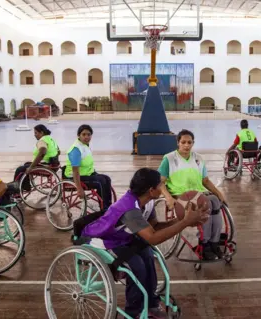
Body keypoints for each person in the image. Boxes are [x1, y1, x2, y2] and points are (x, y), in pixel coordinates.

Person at [81, 168, 209, 319]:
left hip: (123, 238)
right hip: (104, 241)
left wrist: (180, 221)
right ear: (151, 190)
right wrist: (185, 222)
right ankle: (132, 312)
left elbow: (153, 227)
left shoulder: (147, 202)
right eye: (160, 185)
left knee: (148, 256)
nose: (163, 188)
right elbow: (153, 238)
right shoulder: (129, 209)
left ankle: (151, 304)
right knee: (137, 266)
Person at [158, 129, 225, 260]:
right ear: (178, 143)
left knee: (215, 201)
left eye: (189, 142)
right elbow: (160, 182)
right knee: (205, 205)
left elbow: (205, 180)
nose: (186, 145)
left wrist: (218, 192)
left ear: (193, 143)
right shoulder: (169, 159)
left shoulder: (198, 158)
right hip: (181, 196)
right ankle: (204, 244)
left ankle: (214, 242)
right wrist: (168, 197)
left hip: (199, 193)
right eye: (183, 142)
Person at [63, 124, 113, 211]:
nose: (86, 137)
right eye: (84, 134)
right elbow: (75, 171)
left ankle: (108, 205)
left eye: (89, 134)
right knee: (100, 182)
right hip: (74, 176)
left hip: (87, 173)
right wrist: (79, 189)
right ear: (79, 135)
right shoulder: (76, 149)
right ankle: (104, 209)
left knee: (106, 179)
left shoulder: (85, 145)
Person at [13, 124, 60, 190]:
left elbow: (42, 152)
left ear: (41, 133)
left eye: (36, 133)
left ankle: (19, 189)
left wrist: (31, 167)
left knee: (20, 169)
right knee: (26, 164)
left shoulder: (42, 140)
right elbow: (58, 152)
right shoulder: (50, 139)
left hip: (47, 166)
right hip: (55, 166)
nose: (34, 135)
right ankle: (26, 185)